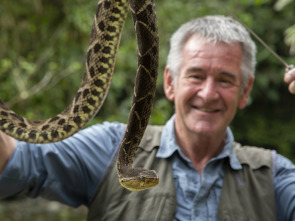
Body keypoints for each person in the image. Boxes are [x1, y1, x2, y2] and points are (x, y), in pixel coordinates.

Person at [0, 15, 295, 220]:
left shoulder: (273, 177)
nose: (207, 93)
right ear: (169, 82)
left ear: (245, 91)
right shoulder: (109, 148)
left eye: (225, 80)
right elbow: (20, 161)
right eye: (196, 75)